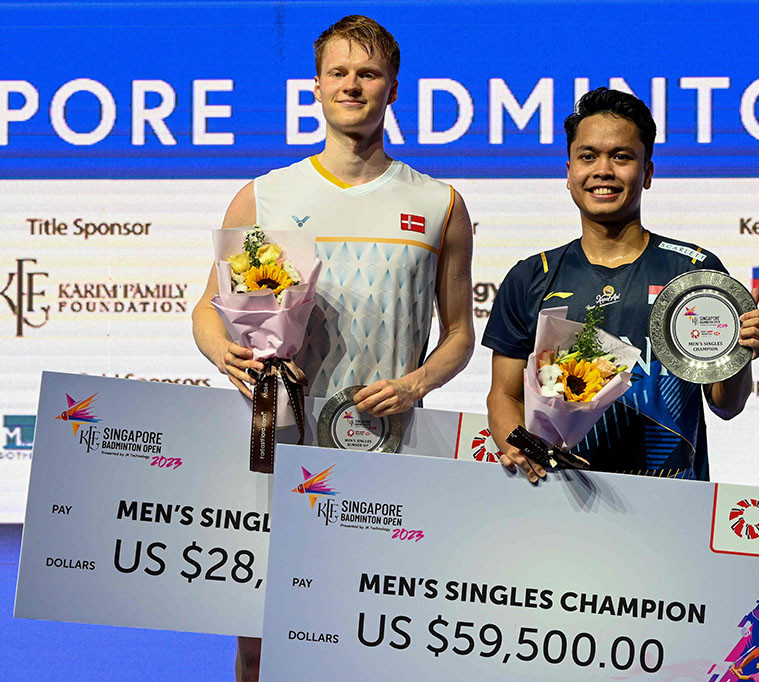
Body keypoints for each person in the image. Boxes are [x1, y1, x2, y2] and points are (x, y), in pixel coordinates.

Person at [191, 15, 475, 681]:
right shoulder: (265, 196)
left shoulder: (439, 203)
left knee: (373, 635)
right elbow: (209, 309)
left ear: (393, 88)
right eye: (340, 73)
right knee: (259, 634)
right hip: (277, 442)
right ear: (316, 87)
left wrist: (417, 384)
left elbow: (460, 333)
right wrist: (223, 354)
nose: (354, 85)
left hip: (388, 446)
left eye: (368, 74)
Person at [484, 88, 759, 482]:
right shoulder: (530, 276)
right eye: (588, 156)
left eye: (621, 157)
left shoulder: (694, 272)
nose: (603, 170)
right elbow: (505, 395)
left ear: (648, 172)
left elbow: (726, 405)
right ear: (568, 172)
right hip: (556, 499)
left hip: (670, 501)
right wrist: (518, 447)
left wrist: (741, 356)